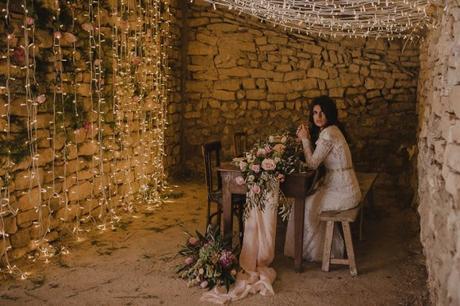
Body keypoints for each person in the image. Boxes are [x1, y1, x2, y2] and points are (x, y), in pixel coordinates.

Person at [284, 95, 362, 261]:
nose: (318, 117)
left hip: (344, 192)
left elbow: (312, 164)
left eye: (322, 113)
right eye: (315, 113)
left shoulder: (328, 134)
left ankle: (317, 254)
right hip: (344, 186)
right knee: (308, 200)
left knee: (304, 205)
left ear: (329, 114)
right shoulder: (332, 130)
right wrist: (306, 140)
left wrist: (305, 140)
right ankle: (316, 251)